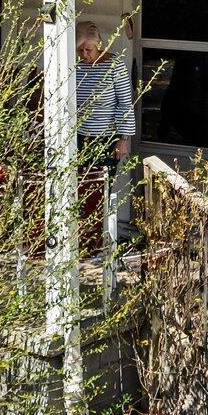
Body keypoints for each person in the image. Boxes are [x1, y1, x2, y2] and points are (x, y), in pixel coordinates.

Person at [75, 21, 134, 249]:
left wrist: (123, 138)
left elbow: (124, 104)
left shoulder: (114, 65)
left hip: (105, 139)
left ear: (98, 45)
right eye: (80, 50)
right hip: (79, 137)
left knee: (102, 188)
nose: (85, 54)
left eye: (88, 49)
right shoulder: (76, 66)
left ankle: (102, 240)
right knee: (80, 188)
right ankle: (82, 238)